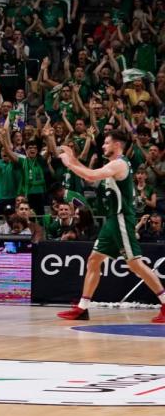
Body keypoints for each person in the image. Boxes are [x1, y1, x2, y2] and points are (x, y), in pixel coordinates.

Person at [56, 129, 165, 323]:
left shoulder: (119, 164)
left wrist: (69, 161)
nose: (103, 146)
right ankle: (82, 308)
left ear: (117, 145)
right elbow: (90, 174)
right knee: (93, 260)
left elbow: (89, 176)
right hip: (112, 221)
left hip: (122, 219)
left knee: (135, 264)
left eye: (106, 143)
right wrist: (72, 160)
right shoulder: (114, 164)